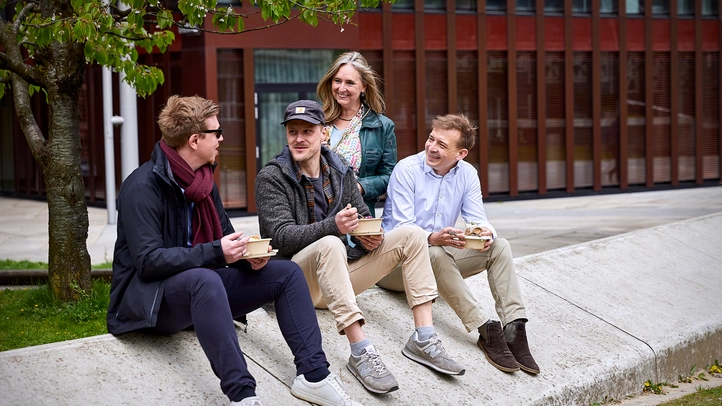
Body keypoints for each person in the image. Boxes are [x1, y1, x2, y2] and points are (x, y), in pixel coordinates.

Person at [106, 95, 359, 406]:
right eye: (217, 132)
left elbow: (224, 240)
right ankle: (243, 396)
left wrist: (247, 256)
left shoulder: (203, 182)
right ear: (195, 140)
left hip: (202, 290)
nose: (222, 138)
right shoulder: (142, 187)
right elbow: (147, 262)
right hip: (151, 298)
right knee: (205, 278)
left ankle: (314, 376)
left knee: (286, 273)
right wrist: (217, 252)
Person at [254, 100, 465, 395]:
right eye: (293, 132)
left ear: (323, 134)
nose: (299, 138)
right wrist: (334, 227)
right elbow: (280, 238)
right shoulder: (272, 177)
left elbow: (364, 217)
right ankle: (360, 350)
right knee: (329, 243)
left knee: (412, 233)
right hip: (297, 283)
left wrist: (371, 238)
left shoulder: (339, 169)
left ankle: (424, 337)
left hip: (338, 275)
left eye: (307, 131)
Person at [379, 113, 540, 375]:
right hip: (393, 268)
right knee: (435, 253)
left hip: (436, 257)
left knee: (500, 246)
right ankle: (485, 329)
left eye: (442, 145)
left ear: (461, 153)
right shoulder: (407, 170)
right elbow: (401, 230)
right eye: (431, 139)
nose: (432, 147)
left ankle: (514, 328)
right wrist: (432, 238)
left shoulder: (467, 174)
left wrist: (484, 233)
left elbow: (478, 219)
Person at [317, 51, 397, 216]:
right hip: (316, 211)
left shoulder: (382, 126)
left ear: (364, 87)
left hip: (357, 213)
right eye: (337, 81)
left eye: (350, 83)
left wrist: (359, 187)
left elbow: (389, 176)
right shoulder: (316, 120)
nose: (341, 88)